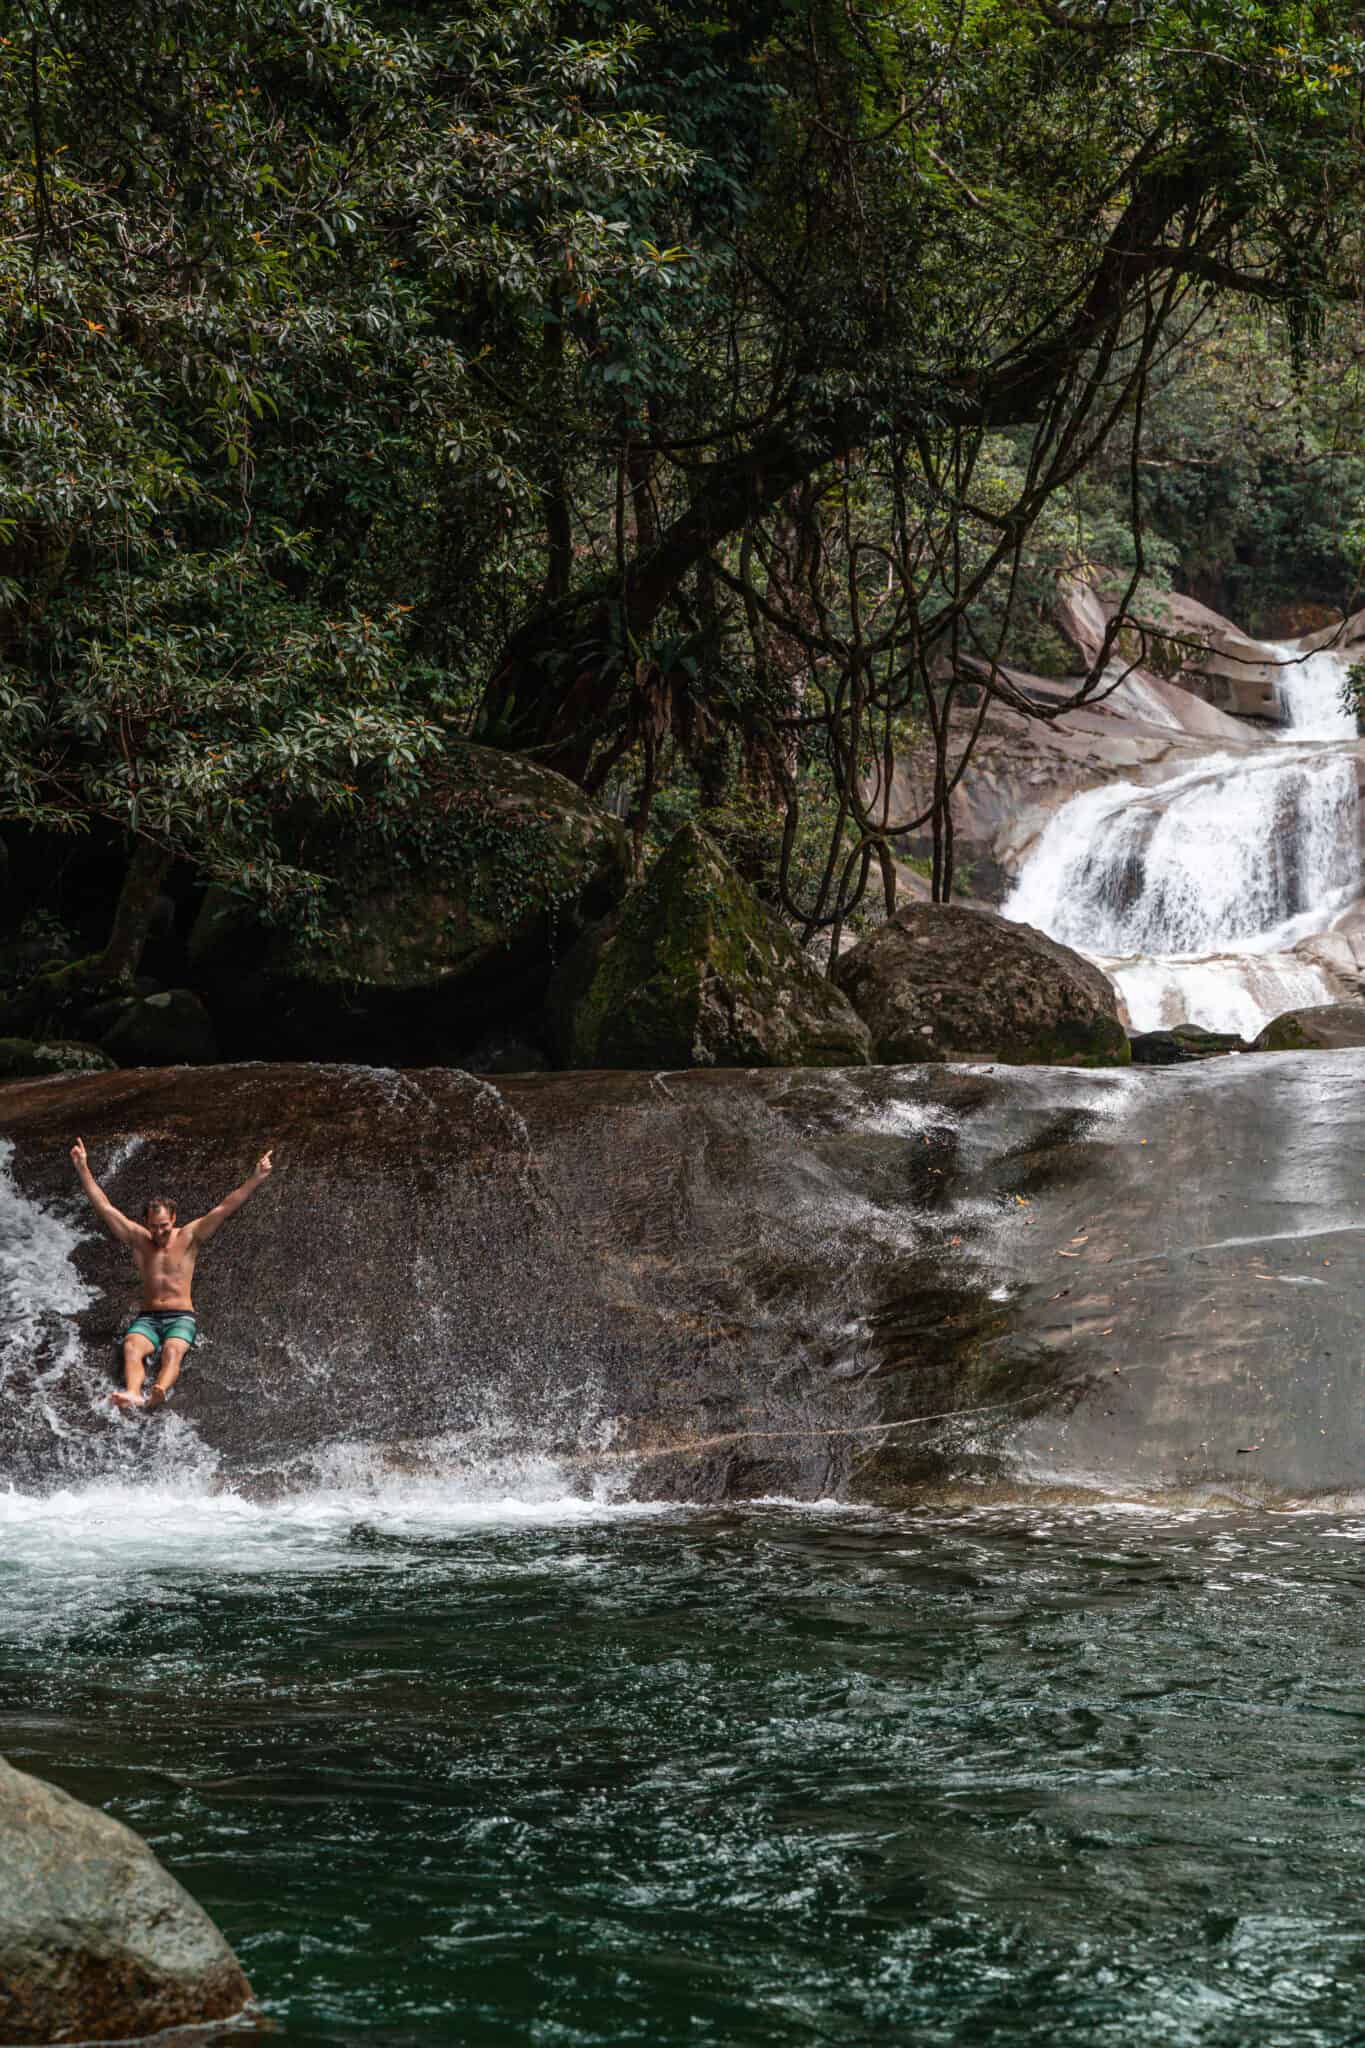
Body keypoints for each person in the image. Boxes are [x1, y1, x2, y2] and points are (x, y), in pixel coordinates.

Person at [69, 1138, 275, 1412]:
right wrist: (83, 1168)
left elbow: (226, 1207)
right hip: (149, 1318)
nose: (159, 1232)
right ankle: (132, 1393)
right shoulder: (138, 1239)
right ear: (147, 1224)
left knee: (172, 1351)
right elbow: (105, 1207)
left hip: (181, 1317)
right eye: (154, 1227)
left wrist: (256, 1178)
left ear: (174, 1218)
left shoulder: (190, 1236)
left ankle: (159, 1390)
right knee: (131, 1347)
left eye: (164, 1226)